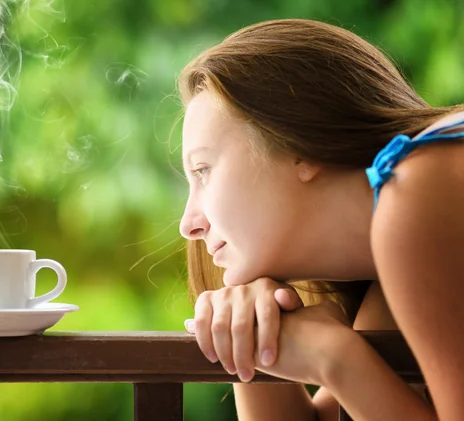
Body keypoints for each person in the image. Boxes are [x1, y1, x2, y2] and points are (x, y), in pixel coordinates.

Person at [178, 18, 464, 421]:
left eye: (203, 170)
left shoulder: (420, 190)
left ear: (300, 147)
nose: (188, 225)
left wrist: (336, 358)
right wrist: (251, 335)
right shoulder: (398, 256)